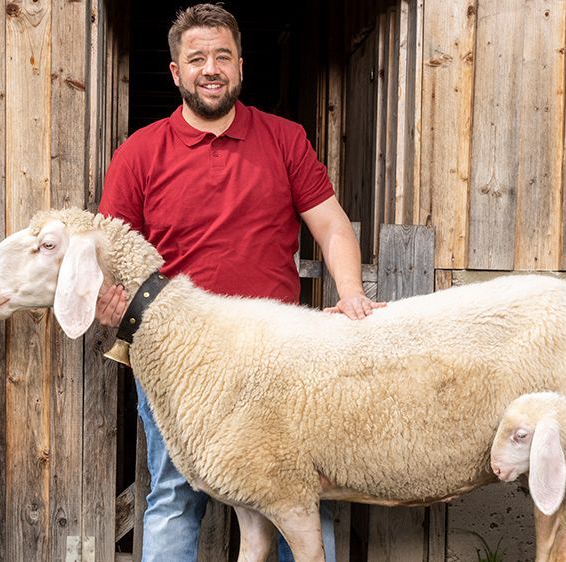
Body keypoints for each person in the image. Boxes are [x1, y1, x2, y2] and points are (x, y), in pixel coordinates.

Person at [96, 4, 382, 561]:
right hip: (178, 360)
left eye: (222, 56)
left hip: (273, 362)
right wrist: (109, 301)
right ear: (176, 72)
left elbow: (330, 225)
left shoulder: (284, 139)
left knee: (296, 494)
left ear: (241, 67)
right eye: (196, 57)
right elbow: (110, 251)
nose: (211, 68)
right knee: (176, 494)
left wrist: (350, 294)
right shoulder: (139, 153)